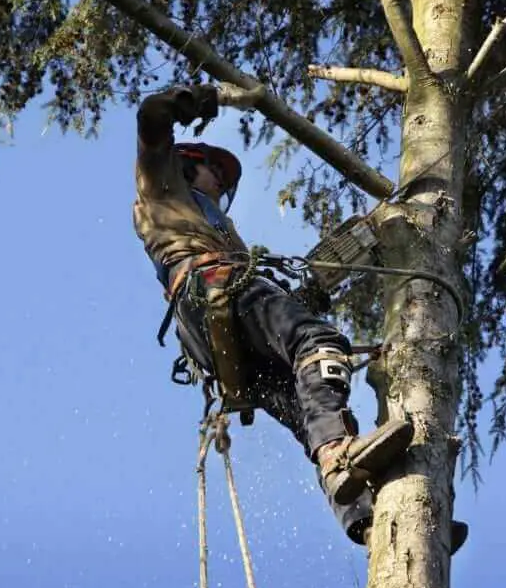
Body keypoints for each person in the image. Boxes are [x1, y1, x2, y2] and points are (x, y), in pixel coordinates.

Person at [132, 81, 467, 553]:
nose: (222, 186)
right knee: (320, 342)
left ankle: (372, 524)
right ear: (188, 164)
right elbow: (151, 118)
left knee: (305, 411)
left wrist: (314, 285)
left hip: (217, 340)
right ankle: (338, 457)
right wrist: (184, 100)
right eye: (217, 175)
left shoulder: (225, 234)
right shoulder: (162, 186)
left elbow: (274, 312)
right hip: (210, 288)